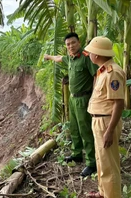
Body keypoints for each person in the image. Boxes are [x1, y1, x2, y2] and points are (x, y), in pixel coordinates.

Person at [44, 32, 98, 177]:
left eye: (73, 43)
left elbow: (96, 76)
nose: (71, 46)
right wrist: (48, 57)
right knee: (74, 127)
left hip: (84, 99)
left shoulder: (86, 58)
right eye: (68, 44)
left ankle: (92, 163)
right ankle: (76, 154)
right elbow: (58, 58)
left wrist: (95, 97)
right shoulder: (70, 58)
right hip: (73, 100)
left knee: (85, 129)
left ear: (79, 43)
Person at [84, 36, 125, 198]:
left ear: (97, 54)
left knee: (109, 164)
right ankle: (103, 192)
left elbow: (118, 103)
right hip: (99, 120)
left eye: (91, 52)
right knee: (101, 160)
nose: (90, 55)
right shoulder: (102, 71)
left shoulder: (112, 73)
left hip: (106, 121)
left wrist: (109, 131)